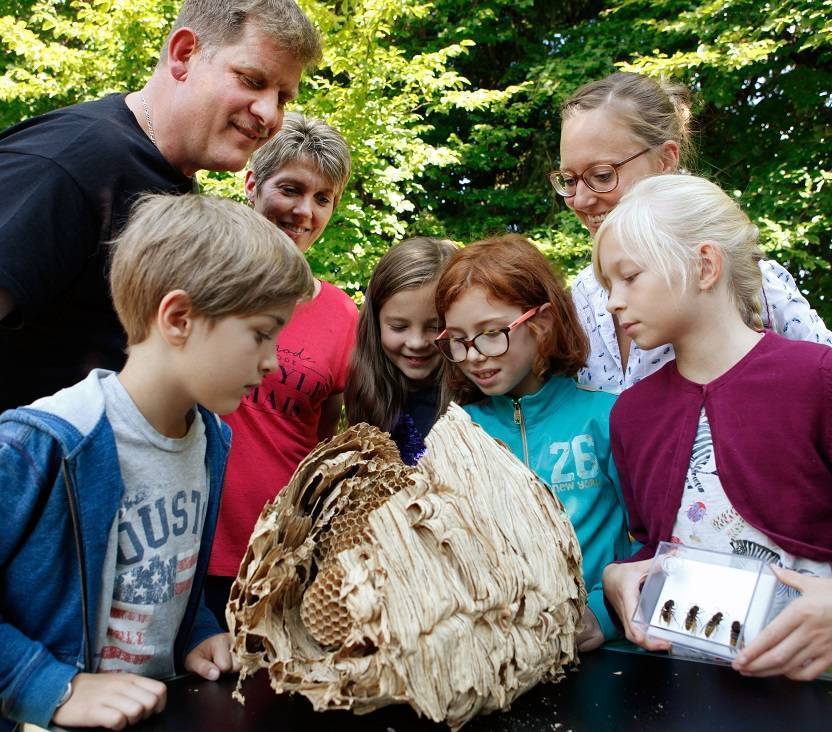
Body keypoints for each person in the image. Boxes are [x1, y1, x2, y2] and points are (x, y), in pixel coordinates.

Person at [0, 193, 314, 731]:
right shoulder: (44, 441)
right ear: (179, 317)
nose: (271, 362)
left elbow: (161, 576)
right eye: (262, 334)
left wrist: (195, 632)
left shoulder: (212, 438)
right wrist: (49, 686)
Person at [0, 0, 321, 412]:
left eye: (282, 97)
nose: (269, 114)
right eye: (252, 80)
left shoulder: (173, 182)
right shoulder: (74, 160)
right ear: (184, 54)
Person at [595, 175, 832, 681]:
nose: (613, 301)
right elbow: (655, 543)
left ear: (705, 265)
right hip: (681, 691)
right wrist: (620, 577)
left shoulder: (818, 379)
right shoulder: (631, 415)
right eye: (607, 285)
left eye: (630, 276)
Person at [553, 72, 832, 394]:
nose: (581, 199)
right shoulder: (582, 298)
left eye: (602, 176)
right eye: (569, 180)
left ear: (665, 160)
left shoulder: (750, 282)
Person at [433, 234, 632, 651]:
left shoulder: (610, 419)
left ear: (540, 324)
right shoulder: (456, 436)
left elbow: (657, 544)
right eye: (457, 339)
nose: (473, 355)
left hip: (606, 657)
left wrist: (604, 612)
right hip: (497, 657)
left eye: (491, 333)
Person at [205, 113, 358, 626]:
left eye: (323, 199)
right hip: (177, 541)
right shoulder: (198, 278)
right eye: (290, 189)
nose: (304, 211)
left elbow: (324, 438)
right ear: (252, 183)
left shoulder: (341, 316)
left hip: (275, 552)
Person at [345, 237, 456, 464]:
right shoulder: (366, 391)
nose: (416, 342)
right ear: (375, 324)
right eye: (398, 327)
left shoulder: (477, 407)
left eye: (435, 327)